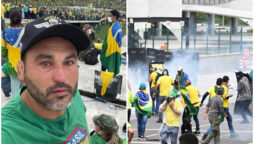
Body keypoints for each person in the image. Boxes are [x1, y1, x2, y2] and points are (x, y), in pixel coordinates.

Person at [2, 15, 91, 143]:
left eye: (69, 62)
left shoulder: (72, 95)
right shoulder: (7, 134)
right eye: (46, 63)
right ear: (21, 70)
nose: (62, 78)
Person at [1, 9, 23, 98]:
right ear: (21, 19)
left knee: (14, 89)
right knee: (26, 89)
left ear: (10, 20)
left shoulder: (5, 33)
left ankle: (16, 108)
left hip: (12, 66)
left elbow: (3, 52)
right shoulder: (27, 31)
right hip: (26, 65)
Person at [100, 9, 122, 74]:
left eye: (110, 16)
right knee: (109, 66)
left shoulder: (115, 27)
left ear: (114, 17)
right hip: (111, 50)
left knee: (109, 66)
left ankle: (104, 78)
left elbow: (115, 42)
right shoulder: (115, 25)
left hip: (111, 51)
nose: (109, 17)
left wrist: (105, 47)